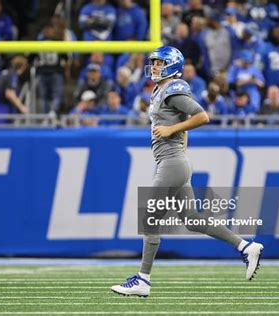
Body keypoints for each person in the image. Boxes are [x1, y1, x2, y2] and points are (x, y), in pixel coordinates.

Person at [110, 46, 264, 297]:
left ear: (172, 64)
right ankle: (246, 246)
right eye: (154, 63)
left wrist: (172, 132)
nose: (155, 67)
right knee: (192, 219)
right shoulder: (160, 90)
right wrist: (180, 136)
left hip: (172, 162)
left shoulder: (173, 90)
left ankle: (143, 280)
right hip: (173, 161)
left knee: (150, 217)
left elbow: (201, 116)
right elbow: (184, 124)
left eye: (160, 63)